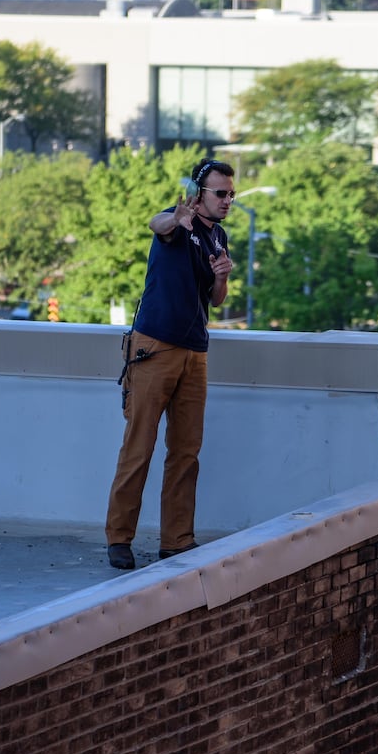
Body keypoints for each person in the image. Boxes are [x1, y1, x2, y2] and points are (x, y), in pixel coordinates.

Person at [105, 157, 235, 569]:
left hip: (195, 352)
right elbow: (156, 224)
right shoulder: (177, 221)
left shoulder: (219, 236)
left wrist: (222, 277)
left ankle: (176, 540)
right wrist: (176, 219)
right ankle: (119, 538)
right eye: (220, 193)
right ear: (199, 193)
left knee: (186, 451)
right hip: (155, 347)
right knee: (139, 445)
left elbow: (215, 299)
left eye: (231, 194)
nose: (227, 200)